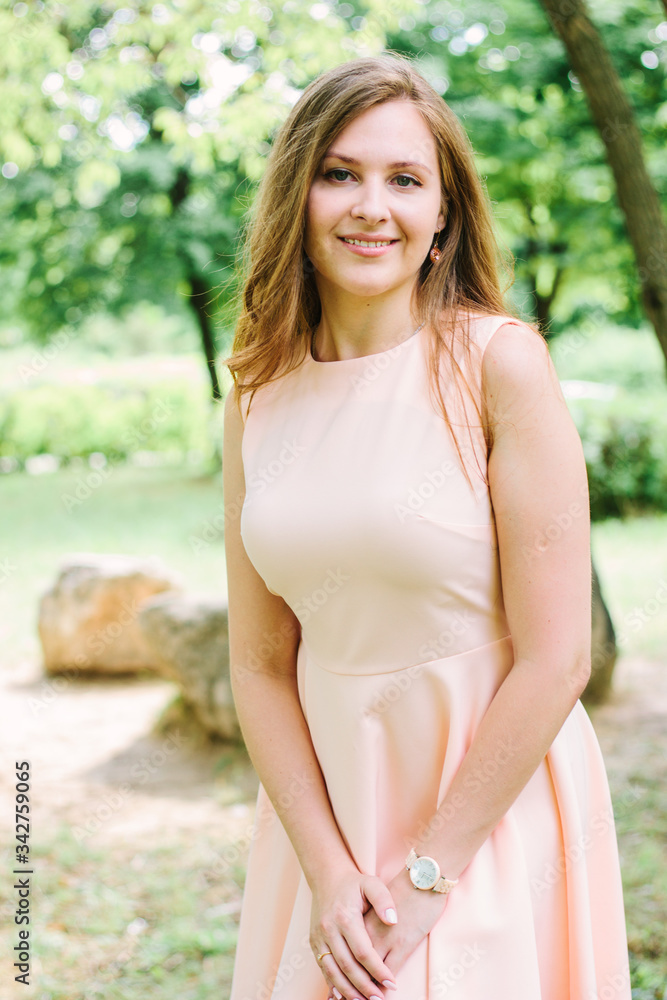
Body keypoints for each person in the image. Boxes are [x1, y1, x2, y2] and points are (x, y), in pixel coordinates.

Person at [222, 53, 630, 1000]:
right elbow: (258, 665)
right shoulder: (253, 397)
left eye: (405, 180)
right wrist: (328, 868)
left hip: (490, 813)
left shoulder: (498, 365)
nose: (372, 207)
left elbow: (558, 657)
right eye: (340, 174)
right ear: (297, 198)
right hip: (325, 823)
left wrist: (427, 875)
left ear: (443, 216)